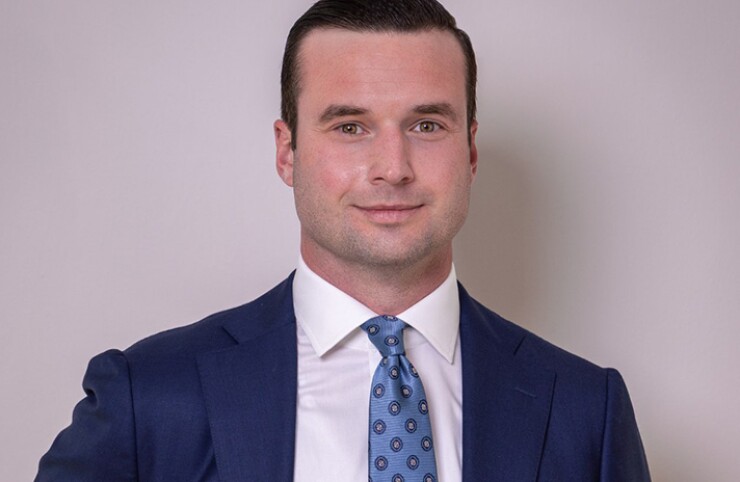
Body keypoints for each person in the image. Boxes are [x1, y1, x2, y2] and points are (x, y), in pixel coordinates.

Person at [36, 0, 650, 481]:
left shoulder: (585, 412)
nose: (392, 168)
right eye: (351, 127)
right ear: (287, 152)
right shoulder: (148, 396)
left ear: (469, 151)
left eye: (426, 124)